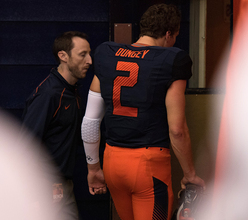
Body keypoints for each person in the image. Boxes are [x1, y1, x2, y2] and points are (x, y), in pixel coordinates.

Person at [81, 4, 205, 220]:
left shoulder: (106, 54)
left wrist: (93, 168)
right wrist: (189, 174)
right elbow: (177, 130)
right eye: (174, 36)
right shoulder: (172, 60)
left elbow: (90, 121)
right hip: (148, 165)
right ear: (168, 34)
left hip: (112, 161)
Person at [22, 31, 92, 220]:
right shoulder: (49, 95)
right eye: (82, 54)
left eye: (89, 54)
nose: (89, 61)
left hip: (62, 184)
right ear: (63, 56)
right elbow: (27, 145)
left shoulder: (71, 92)